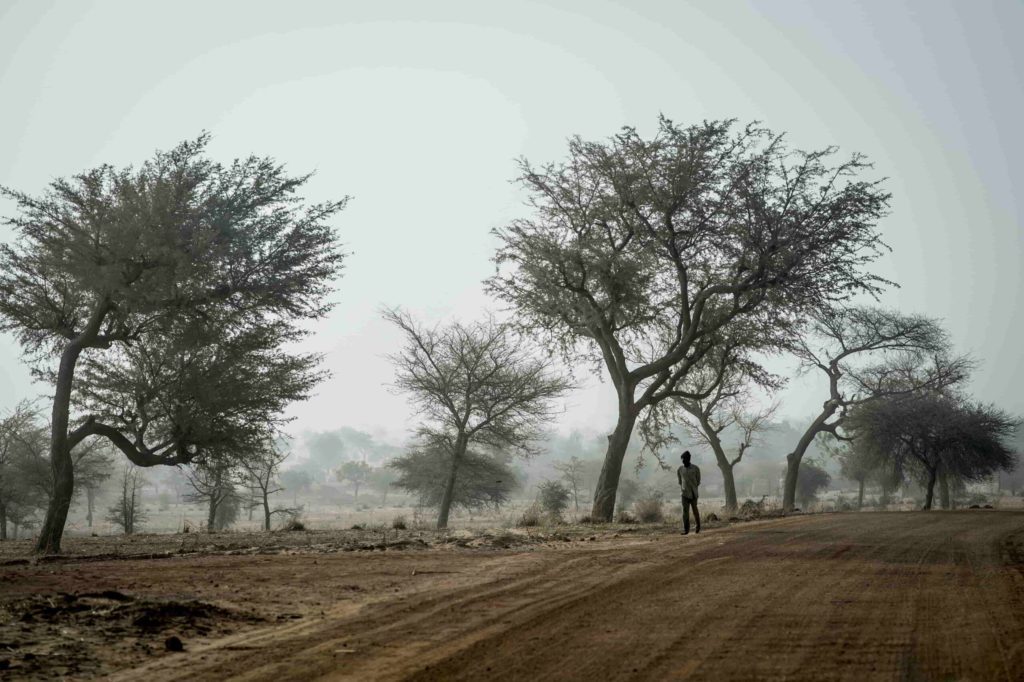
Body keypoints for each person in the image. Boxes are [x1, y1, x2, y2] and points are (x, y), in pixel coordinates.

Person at [677, 450, 701, 534]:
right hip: (684, 494)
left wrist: (693, 487)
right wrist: (684, 488)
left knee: (695, 511)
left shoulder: (695, 468)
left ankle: (698, 526)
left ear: (688, 459)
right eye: (682, 459)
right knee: (685, 512)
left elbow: (698, 481)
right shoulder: (680, 469)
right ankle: (686, 529)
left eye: (684, 459)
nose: (683, 461)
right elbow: (680, 481)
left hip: (693, 494)